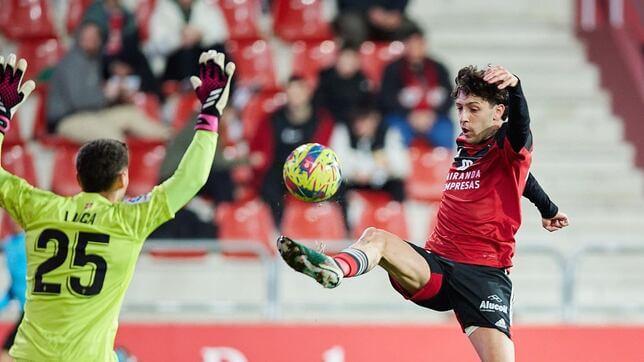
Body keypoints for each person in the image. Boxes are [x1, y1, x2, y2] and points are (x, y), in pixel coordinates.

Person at [277, 64, 570, 362]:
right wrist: (548, 208)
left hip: (483, 276)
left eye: (474, 108)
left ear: (498, 112)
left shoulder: (510, 144)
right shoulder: (469, 146)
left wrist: (516, 88)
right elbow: (523, 178)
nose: (464, 117)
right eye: (460, 108)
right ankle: (334, 268)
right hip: (437, 268)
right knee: (375, 237)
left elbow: (521, 133)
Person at [0, 50, 234, 361]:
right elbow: (190, 179)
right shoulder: (129, 220)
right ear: (123, 179)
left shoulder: (40, 210)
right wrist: (210, 113)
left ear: (78, 177)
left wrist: (2, 114)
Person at [47, 22, 169, 143]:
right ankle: (120, 162)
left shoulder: (94, 60)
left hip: (94, 115)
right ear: (79, 38)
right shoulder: (71, 63)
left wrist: (117, 95)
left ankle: (172, 138)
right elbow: (78, 102)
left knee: (130, 114)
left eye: (95, 37)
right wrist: (107, 96)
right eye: (87, 37)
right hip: (68, 119)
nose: (91, 40)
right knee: (113, 138)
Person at [249, 76, 335, 226]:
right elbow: (257, 149)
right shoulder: (272, 119)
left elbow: (326, 151)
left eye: (299, 91)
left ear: (308, 92)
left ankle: (328, 230)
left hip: (311, 170)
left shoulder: (322, 120)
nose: (295, 96)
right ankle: (276, 231)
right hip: (279, 170)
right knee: (269, 188)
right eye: (291, 92)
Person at [379, 25, 454, 148]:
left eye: (418, 43)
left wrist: (433, 114)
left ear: (424, 44)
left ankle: (444, 165)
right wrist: (410, 115)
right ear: (405, 46)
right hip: (403, 117)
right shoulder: (393, 69)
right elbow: (387, 98)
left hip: (434, 118)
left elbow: (450, 96)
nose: (415, 48)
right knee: (395, 133)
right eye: (411, 44)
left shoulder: (439, 68)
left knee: (445, 132)